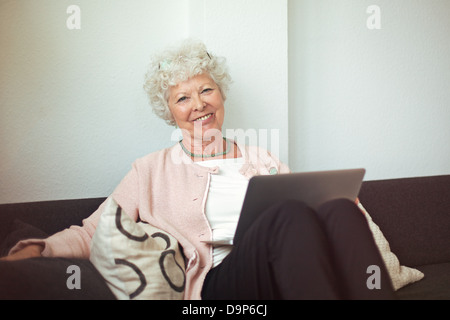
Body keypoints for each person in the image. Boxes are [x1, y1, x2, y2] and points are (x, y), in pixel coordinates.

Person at [2, 39, 395, 300]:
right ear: (169, 112)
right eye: (182, 98)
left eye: (206, 90)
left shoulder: (263, 159)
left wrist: (342, 204)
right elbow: (95, 230)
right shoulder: (151, 170)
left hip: (289, 267)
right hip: (220, 285)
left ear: (221, 94)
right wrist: (41, 248)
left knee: (340, 209)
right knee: (288, 214)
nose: (199, 104)